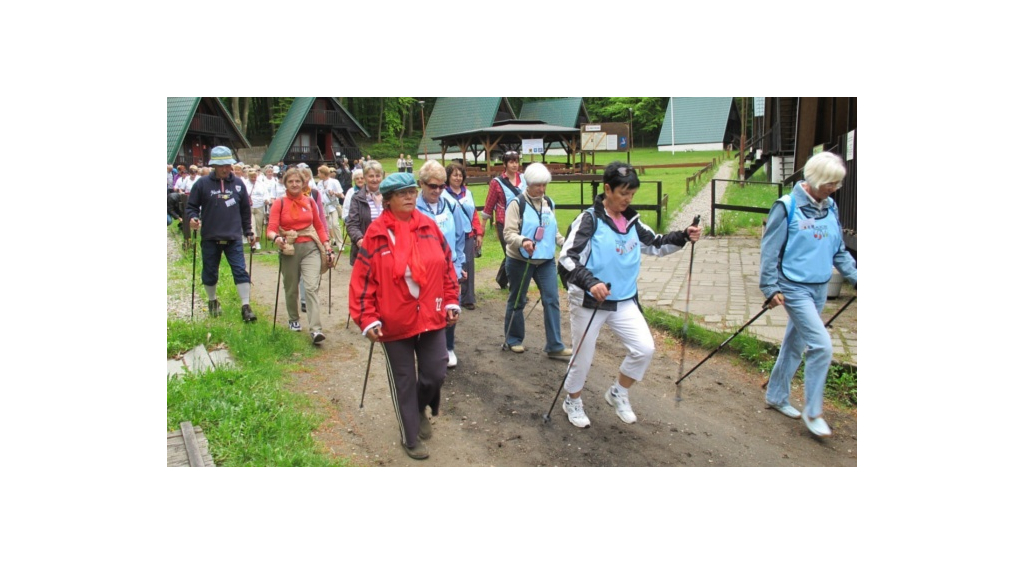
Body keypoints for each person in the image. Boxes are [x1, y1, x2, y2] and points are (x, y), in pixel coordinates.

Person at [557, 162, 701, 428]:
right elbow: (566, 259)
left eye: (632, 194)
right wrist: (590, 282)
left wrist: (683, 235)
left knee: (644, 349)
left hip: (623, 299)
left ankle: (618, 392)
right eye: (623, 193)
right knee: (583, 356)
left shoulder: (632, 221)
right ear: (607, 189)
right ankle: (573, 400)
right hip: (590, 300)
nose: (628, 199)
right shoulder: (588, 220)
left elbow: (656, 243)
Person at [348, 172, 460, 460]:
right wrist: (368, 318)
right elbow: (362, 281)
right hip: (393, 322)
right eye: (402, 194)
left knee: (436, 372)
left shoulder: (428, 227)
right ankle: (410, 436)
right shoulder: (377, 233)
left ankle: (421, 406)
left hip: (431, 316)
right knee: (405, 380)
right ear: (388, 200)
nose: (410, 197)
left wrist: (450, 300)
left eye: (412, 191)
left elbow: (447, 266)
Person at [760, 151, 857, 438]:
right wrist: (770, 288)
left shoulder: (831, 206)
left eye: (837, 184)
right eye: (830, 183)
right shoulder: (787, 206)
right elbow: (769, 251)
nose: (834, 189)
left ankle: (776, 396)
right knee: (822, 346)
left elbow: (838, 249)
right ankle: (813, 412)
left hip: (819, 288)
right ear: (815, 179)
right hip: (793, 287)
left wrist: (856, 277)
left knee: (794, 343)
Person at [502, 163, 571, 358]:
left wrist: (566, 243)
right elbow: (509, 233)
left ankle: (554, 345)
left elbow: (553, 231)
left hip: (546, 261)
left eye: (544, 185)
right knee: (518, 299)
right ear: (528, 184)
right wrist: (523, 241)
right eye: (537, 186)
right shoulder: (517, 204)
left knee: (552, 299)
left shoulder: (549, 202)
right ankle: (513, 339)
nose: (541, 190)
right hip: (520, 261)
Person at [185, 146, 258, 322]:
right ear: (213, 166)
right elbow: (191, 207)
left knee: (240, 270)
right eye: (221, 165)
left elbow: (245, 210)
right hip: (210, 236)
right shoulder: (202, 184)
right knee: (210, 272)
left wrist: (248, 230)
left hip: (233, 237)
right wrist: (193, 218)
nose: (225, 169)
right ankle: (212, 301)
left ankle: (246, 306)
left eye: (228, 165)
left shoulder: (239, 184)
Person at [267, 167, 333, 344]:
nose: (295, 184)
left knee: (311, 287)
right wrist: (277, 239)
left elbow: (318, 225)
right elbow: (271, 229)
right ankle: (294, 319)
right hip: (290, 248)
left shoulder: (310, 202)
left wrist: (326, 244)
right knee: (291, 288)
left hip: (310, 247)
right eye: (291, 181)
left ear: (303, 182)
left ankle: (316, 329)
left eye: (298, 181)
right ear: (285, 183)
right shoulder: (279, 203)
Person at [417, 160, 466, 368]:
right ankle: (424, 347)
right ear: (422, 184)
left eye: (441, 186)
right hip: (423, 269)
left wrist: (460, 263)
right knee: (424, 308)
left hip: (449, 267)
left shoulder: (451, 205)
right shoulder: (414, 208)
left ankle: (448, 346)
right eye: (432, 186)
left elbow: (459, 236)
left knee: (450, 306)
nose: (437, 190)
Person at [481, 150, 525, 290]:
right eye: (511, 162)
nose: (514, 165)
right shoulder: (497, 182)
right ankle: (515, 287)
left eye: (516, 161)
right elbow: (489, 205)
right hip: (503, 223)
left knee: (516, 252)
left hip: (522, 222)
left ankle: (501, 278)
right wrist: (482, 226)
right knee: (511, 253)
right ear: (505, 164)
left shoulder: (524, 179)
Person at [444, 162, 483, 310]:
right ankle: (450, 295)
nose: (458, 177)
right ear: (448, 176)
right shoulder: (443, 194)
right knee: (451, 264)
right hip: (449, 234)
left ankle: (468, 298)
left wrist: (478, 232)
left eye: (460, 175)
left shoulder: (468, 193)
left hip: (467, 234)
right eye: (455, 175)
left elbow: (473, 214)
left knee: (468, 265)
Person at [345, 160, 385, 266]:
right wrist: (360, 240)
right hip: (365, 248)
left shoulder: (389, 196)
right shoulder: (357, 198)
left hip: (387, 246)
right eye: (371, 176)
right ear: (365, 177)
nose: (375, 179)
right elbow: (352, 224)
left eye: (378, 175)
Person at [317, 164, 346, 250]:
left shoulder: (334, 182)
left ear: (323, 173)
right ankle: (328, 243)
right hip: (324, 207)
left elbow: (341, 195)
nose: (317, 174)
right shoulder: (319, 183)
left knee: (335, 224)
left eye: (319, 173)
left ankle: (340, 244)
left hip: (333, 206)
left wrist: (334, 193)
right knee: (326, 226)